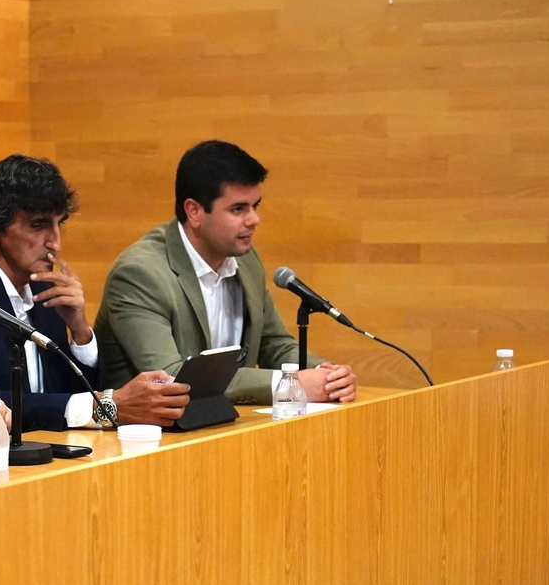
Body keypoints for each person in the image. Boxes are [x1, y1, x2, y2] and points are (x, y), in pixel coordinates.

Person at [0, 154, 191, 430]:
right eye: (39, 225)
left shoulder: (45, 288)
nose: (55, 242)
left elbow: (70, 394)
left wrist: (79, 330)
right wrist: (105, 405)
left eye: (59, 223)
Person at [96, 140, 358, 405]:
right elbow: (171, 378)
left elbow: (274, 344)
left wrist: (325, 375)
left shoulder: (245, 260)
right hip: (147, 437)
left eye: (255, 206)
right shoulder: (139, 274)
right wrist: (288, 385)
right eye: (238, 209)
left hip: (220, 427)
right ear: (195, 212)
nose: (254, 219)